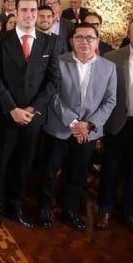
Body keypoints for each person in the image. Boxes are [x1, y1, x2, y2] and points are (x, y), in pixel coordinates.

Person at [0, 0, 62, 229]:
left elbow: (53, 80)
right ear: (16, 13)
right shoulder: (1, 40)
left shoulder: (51, 43)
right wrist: (12, 108)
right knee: (1, 161)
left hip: (33, 117)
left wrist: (32, 109)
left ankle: (16, 203)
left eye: (33, 11)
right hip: (6, 114)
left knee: (24, 163)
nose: (29, 15)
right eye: (25, 10)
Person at [38, 23, 116, 231]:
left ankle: (70, 210)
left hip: (88, 133)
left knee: (78, 174)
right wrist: (73, 122)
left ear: (97, 42)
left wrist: (88, 124)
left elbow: (110, 101)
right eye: (79, 37)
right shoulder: (59, 62)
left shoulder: (108, 67)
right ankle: (45, 208)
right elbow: (52, 95)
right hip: (59, 129)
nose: (84, 42)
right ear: (71, 41)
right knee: (49, 171)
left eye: (90, 38)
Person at [96, 21, 133, 231]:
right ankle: (105, 209)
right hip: (118, 123)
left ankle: (128, 210)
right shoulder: (112, 58)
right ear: (129, 31)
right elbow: (104, 95)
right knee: (111, 167)